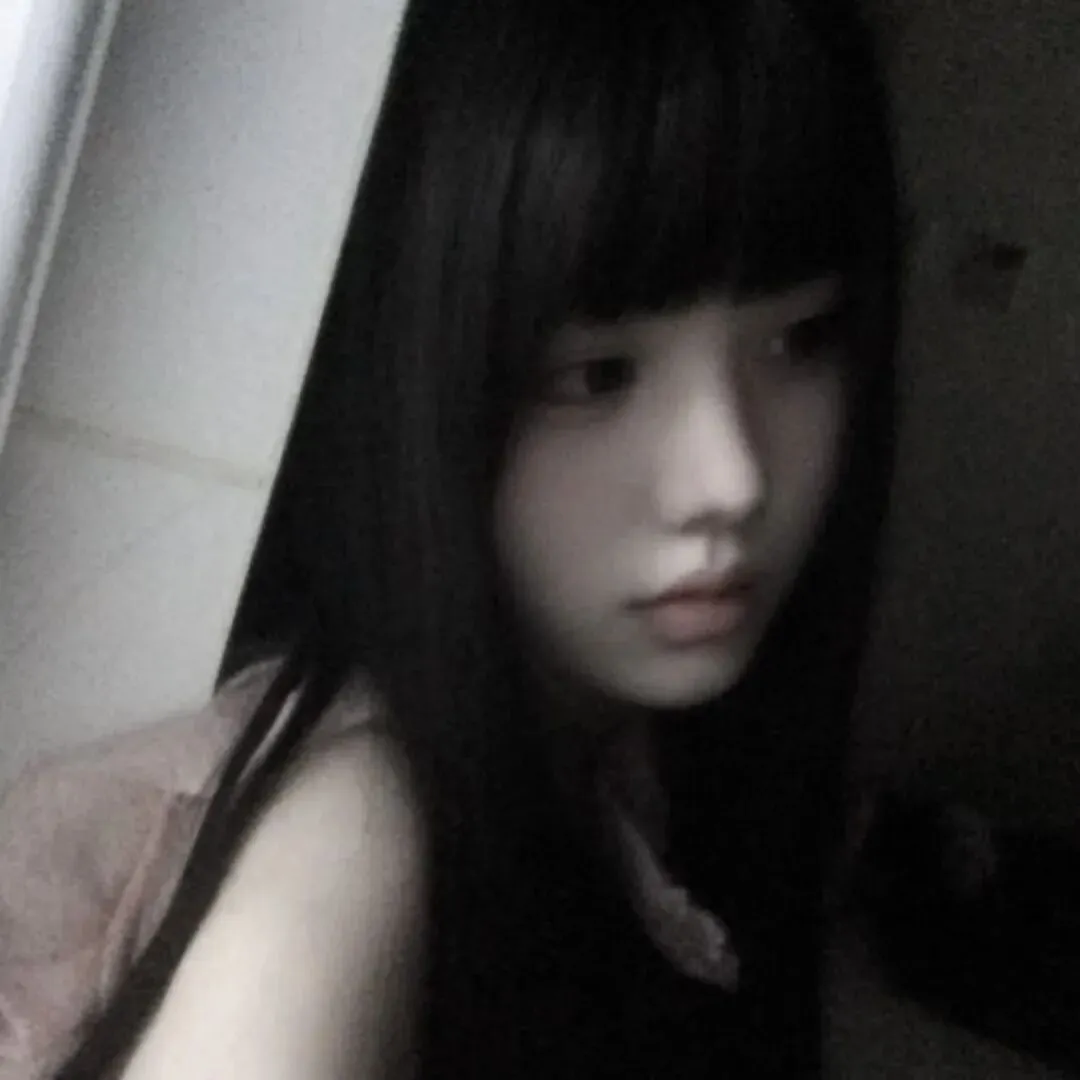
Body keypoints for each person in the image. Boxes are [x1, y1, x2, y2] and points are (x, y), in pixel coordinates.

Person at [0, 0, 901, 1075]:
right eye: (598, 374)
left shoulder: (646, 775)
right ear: (425, 370)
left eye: (799, 339)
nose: (732, 478)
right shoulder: (347, 850)